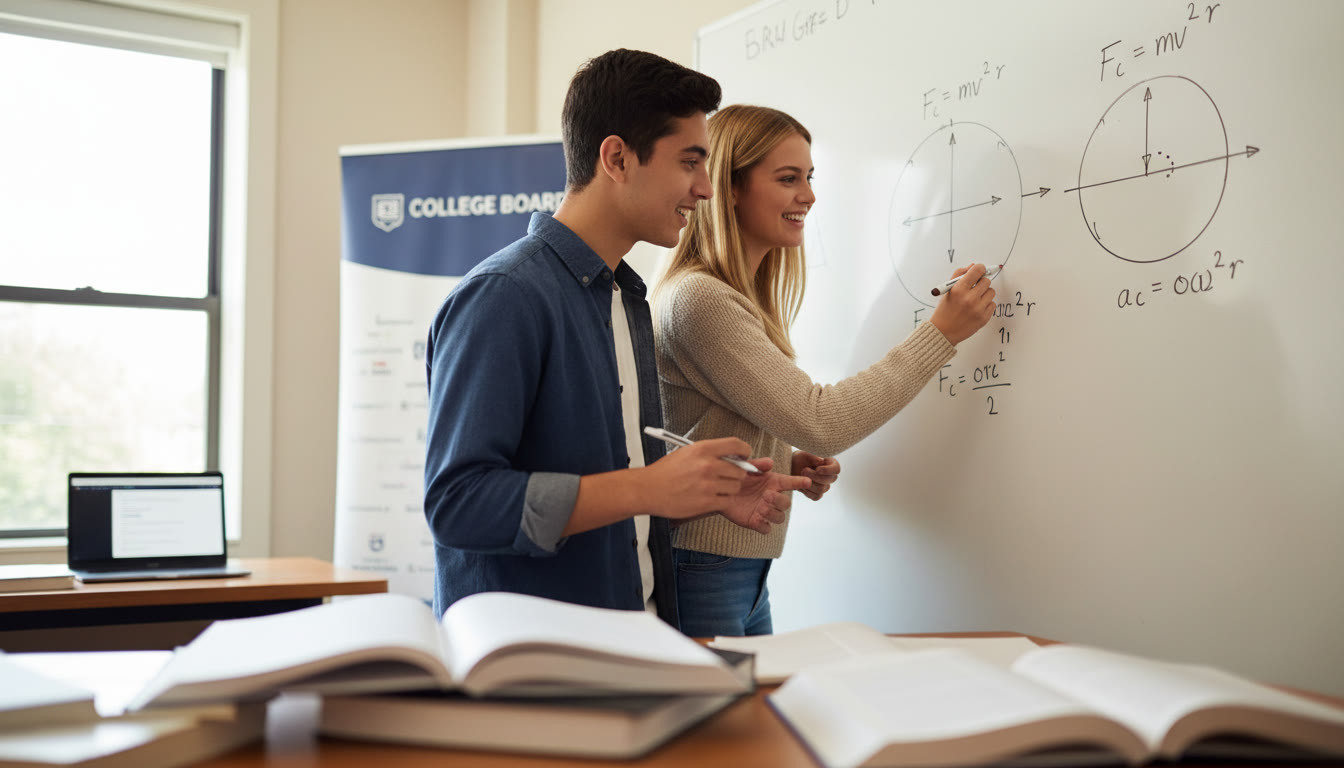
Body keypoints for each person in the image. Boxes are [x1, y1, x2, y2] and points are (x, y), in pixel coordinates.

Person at [422, 54, 811, 627]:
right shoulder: (505, 295)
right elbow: (458, 504)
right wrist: (648, 488)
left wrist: (704, 493)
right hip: (542, 657)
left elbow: (611, 488)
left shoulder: (625, 299)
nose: (705, 188)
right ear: (617, 158)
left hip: (636, 638)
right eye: (690, 162)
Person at [652, 104, 996, 637]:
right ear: (730, 188)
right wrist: (940, 334)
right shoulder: (701, 299)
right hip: (706, 568)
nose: (809, 196)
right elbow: (821, 420)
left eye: (809, 177)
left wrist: (779, 456)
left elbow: (703, 425)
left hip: (733, 569)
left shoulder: (728, 296)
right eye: (788, 178)